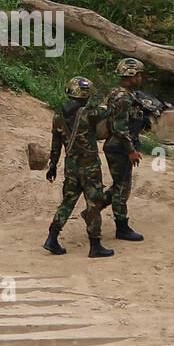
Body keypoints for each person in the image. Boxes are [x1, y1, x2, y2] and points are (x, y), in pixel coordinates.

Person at [44, 77, 114, 259]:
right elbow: (109, 112)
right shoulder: (90, 112)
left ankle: (52, 238)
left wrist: (52, 165)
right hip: (89, 165)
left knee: (67, 201)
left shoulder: (58, 116)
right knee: (94, 203)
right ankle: (95, 245)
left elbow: (56, 143)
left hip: (71, 166)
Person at [102, 58, 148, 243]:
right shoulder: (123, 97)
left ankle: (93, 209)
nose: (140, 78)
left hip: (115, 146)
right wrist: (131, 150)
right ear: (130, 76)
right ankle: (121, 227)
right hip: (119, 148)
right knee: (121, 188)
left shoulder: (117, 93)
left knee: (120, 187)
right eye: (138, 75)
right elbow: (120, 128)